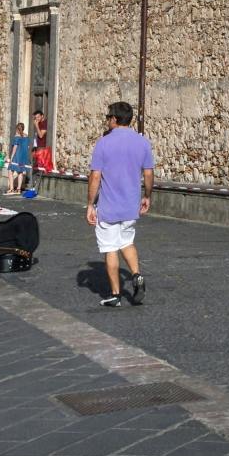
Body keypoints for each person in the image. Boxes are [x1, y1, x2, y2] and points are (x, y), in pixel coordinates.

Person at [87, 101, 155, 307]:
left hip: (108, 207)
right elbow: (149, 173)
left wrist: (90, 203)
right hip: (130, 206)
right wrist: (147, 196)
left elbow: (95, 176)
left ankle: (116, 295)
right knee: (126, 242)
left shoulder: (103, 143)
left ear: (115, 119)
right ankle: (136, 275)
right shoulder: (142, 142)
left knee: (110, 249)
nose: (107, 121)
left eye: (109, 118)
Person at [4, 123, 34, 195]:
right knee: (20, 172)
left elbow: (15, 148)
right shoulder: (26, 137)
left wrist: (11, 158)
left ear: (17, 129)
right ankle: (18, 189)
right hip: (23, 157)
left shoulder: (16, 137)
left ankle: (11, 189)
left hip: (17, 156)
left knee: (10, 171)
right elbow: (28, 147)